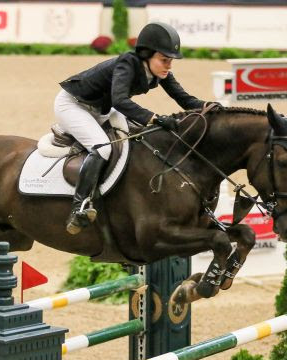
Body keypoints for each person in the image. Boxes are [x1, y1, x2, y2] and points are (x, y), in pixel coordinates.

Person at [54, 21, 207, 235]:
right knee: (103, 148)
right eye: (164, 60)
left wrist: (209, 108)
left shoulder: (159, 71)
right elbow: (120, 100)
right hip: (74, 105)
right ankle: (79, 206)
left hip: (102, 109)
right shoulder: (127, 63)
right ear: (147, 55)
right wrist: (154, 118)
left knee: (139, 139)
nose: (168, 66)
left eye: (170, 61)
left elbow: (182, 97)